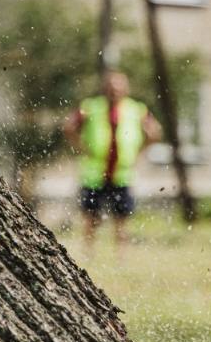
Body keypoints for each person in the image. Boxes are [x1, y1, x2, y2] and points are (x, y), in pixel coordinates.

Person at [64, 69, 161, 250]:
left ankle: (121, 256)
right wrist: (81, 147)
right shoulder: (90, 106)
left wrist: (140, 150)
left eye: (118, 87)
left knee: (121, 218)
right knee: (91, 217)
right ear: (104, 88)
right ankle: (88, 253)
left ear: (126, 88)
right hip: (94, 172)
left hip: (122, 172)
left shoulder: (136, 109)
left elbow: (155, 132)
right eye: (111, 87)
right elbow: (69, 126)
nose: (114, 91)